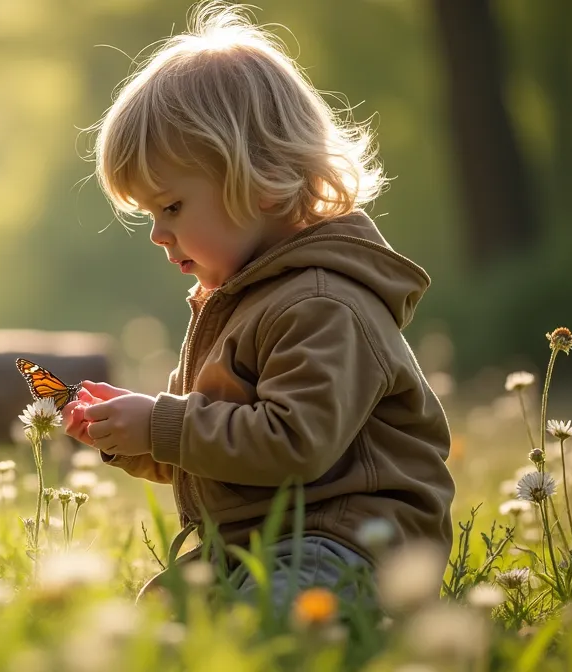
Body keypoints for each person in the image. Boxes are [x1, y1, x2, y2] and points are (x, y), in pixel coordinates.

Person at [63, 1, 455, 611]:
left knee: (273, 612)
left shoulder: (325, 303)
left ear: (263, 178)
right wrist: (130, 435)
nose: (158, 235)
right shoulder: (240, 302)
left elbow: (292, 443)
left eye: (171, 207)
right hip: (257, 540)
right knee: (157, 615)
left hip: (352, 541)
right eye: (148, 215)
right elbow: (208, 446)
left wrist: (160, 423)